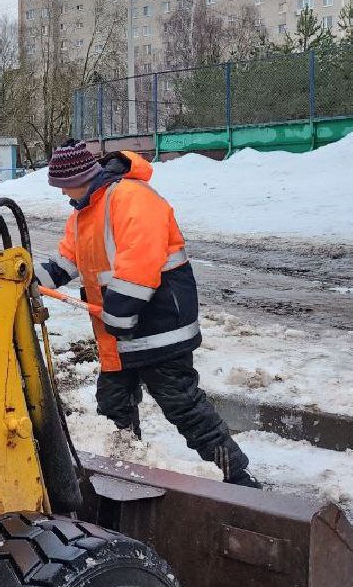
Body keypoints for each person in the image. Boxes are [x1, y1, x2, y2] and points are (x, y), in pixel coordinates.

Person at [39, 140, 260, 488]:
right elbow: (69, 261)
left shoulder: (132, 199)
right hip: (119, 336)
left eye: (64, 185)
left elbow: (140, 263)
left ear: (81, 177)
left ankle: (236, 475)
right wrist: (30, 278)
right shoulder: (84, 214)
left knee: (183, 406)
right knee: (113, 407)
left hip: (158, 330)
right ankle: (126, 468)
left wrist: (119, 315)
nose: (62, 192)